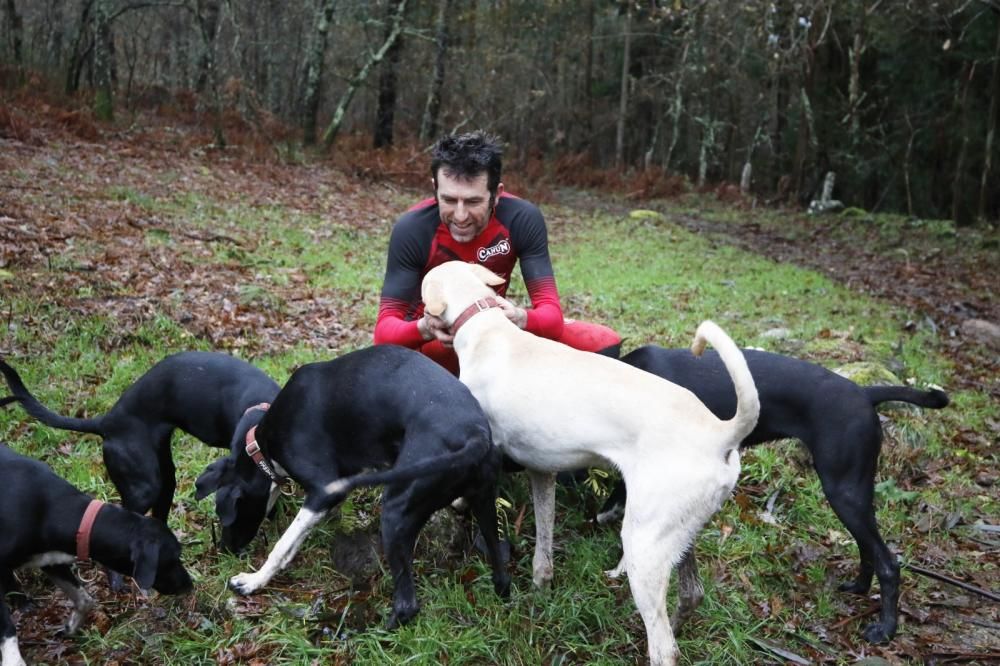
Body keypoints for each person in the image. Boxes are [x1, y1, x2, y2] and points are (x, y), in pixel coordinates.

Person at [374, 130, 620, 375]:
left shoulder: (521, 219)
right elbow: (384, 332)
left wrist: (519, 317)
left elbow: (552, 317)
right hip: (436, 341)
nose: (460, 216)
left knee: (602, 341)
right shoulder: (414, 229)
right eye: (448, 200)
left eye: (472, 202)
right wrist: (425, 328)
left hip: (494, 328)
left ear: (497, 195)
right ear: (434, 189)